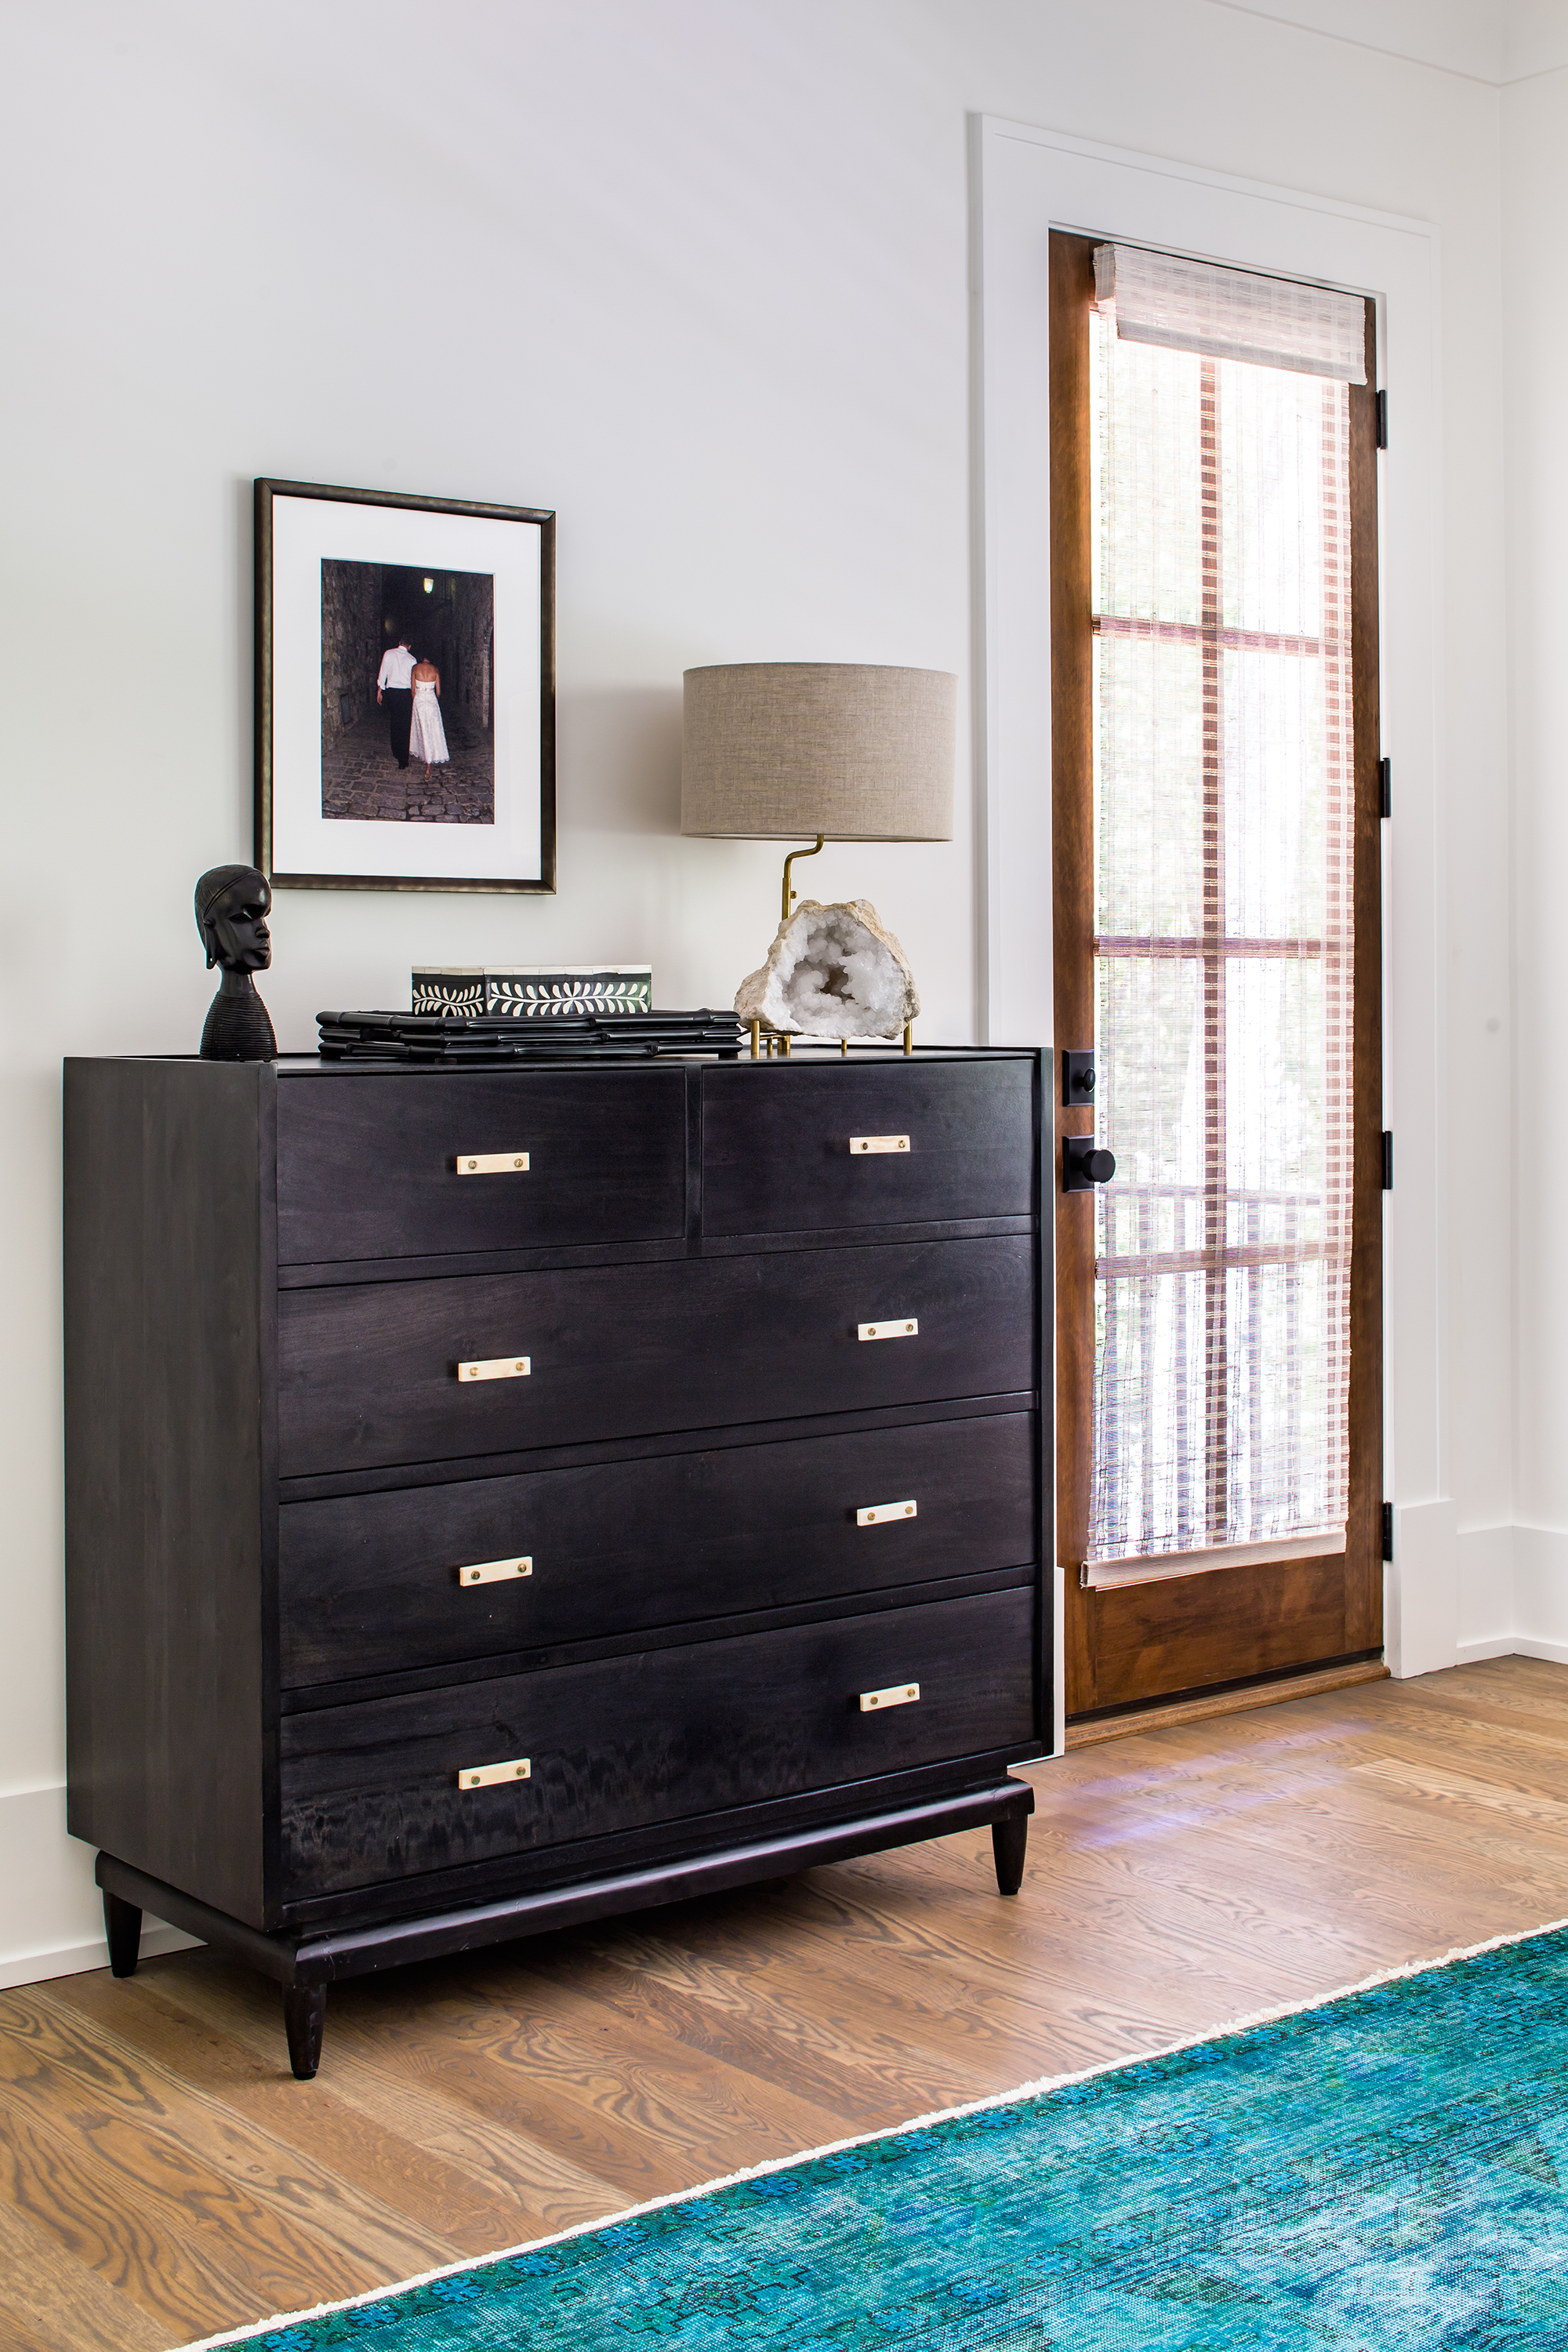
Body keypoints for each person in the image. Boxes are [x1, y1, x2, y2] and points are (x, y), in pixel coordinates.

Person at [376, 630, 417, 768]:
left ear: (399, 643)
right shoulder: (412, 660)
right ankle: (403, 758)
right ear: (409, 646)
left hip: (392, 693)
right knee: (405, 725)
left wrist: (380, 690)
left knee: (395, 722)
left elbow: (383, 673)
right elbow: (413, 682)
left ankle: (396, 751)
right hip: (405, 694)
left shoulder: (388, 653)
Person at [408, 654, 450, 779]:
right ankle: (428, 759)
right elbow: (438, 691)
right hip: (431, 699)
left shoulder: (415, 668)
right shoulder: (435, 669)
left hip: (419, 699)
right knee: (432, 729)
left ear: (422, 659)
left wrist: (416, 700)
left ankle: (427, 764)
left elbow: (413, 689)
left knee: (422, 728)